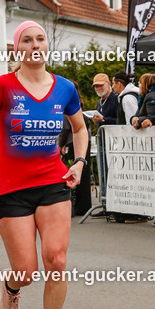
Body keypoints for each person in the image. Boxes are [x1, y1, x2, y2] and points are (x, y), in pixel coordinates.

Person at [0, 20, 88, 309]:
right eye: (27, 39)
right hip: (11, 188)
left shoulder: (65, 88)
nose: (35, 44)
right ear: (17, 48)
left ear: (47, 46)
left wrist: (78, 163)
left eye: (40, 38)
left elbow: (80, 127)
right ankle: (11, 285)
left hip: (53, 183)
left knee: (57, 261)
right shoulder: (2, 86)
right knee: (26, 270)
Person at [57, 80, 93, 216]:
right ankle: (84, 205)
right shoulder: (79, 102)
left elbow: (66, 128)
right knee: (83, 173)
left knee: (74, 173)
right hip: (84, 141)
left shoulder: (67, 102)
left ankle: (79, 205)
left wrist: (60, 144)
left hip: (73, 142)